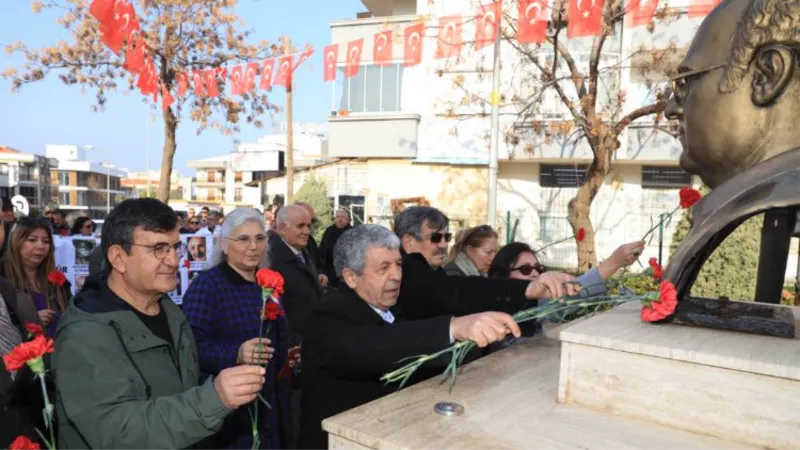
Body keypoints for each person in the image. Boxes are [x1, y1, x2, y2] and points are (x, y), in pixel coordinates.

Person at [53, 198, 267, 450]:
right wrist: (214, 399)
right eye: (158, 249)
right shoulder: (85, 334)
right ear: (118, 258)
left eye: (175, 247)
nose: (173, 260)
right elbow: (118, 432)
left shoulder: (169, 311)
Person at [299, 224, 522, 450]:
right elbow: (376, 345)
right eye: (383, 268)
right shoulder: (327, 316)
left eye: (398, 265)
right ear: (350, 277)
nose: (396, 276)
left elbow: (456, 292)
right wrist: (451, 328)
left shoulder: (391, 309)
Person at [183, 208, 294, 450]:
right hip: (234, 417)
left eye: (259, 238)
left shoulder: (267, 282)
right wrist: (236, 353)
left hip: (274, 407)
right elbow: (191, 347)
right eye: (243, 239)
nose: (253, 246)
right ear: (224, 245)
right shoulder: (208, 286)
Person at [392, 206, 580, 323]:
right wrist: (527, 289)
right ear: (408, 242)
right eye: (435, 238)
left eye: (446, 237)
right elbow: (461, 291)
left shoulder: (434, 272)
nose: (443, 244)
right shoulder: (406, 272)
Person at [487, 240, 644, 346]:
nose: (535, 274)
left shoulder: (535, 306)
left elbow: (572, 295)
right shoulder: (493, 311)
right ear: (503, 276)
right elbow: (576, 292)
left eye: (538, 268)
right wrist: (613, 262)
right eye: (525, 269)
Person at [0, 217, 71, 336]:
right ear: (16, 241)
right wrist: (31, 321)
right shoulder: (3, 277)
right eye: (32, 240)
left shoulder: (59, 281)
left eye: (46, 241)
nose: (40, 246)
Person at [294, 202, 326, 288]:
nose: (308, 229)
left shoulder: (310, 240)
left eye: (311, 222)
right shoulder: (278, 248)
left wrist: (321, 274)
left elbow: (318, 263)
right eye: (302, 224)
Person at [318, 208, 352, 289]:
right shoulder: (329, 230)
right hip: (328, 268)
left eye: (342, 217)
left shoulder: (352, 232)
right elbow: (322, 248)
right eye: (338, 217)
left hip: (345, 269)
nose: (340, 219)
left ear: (347, 220)